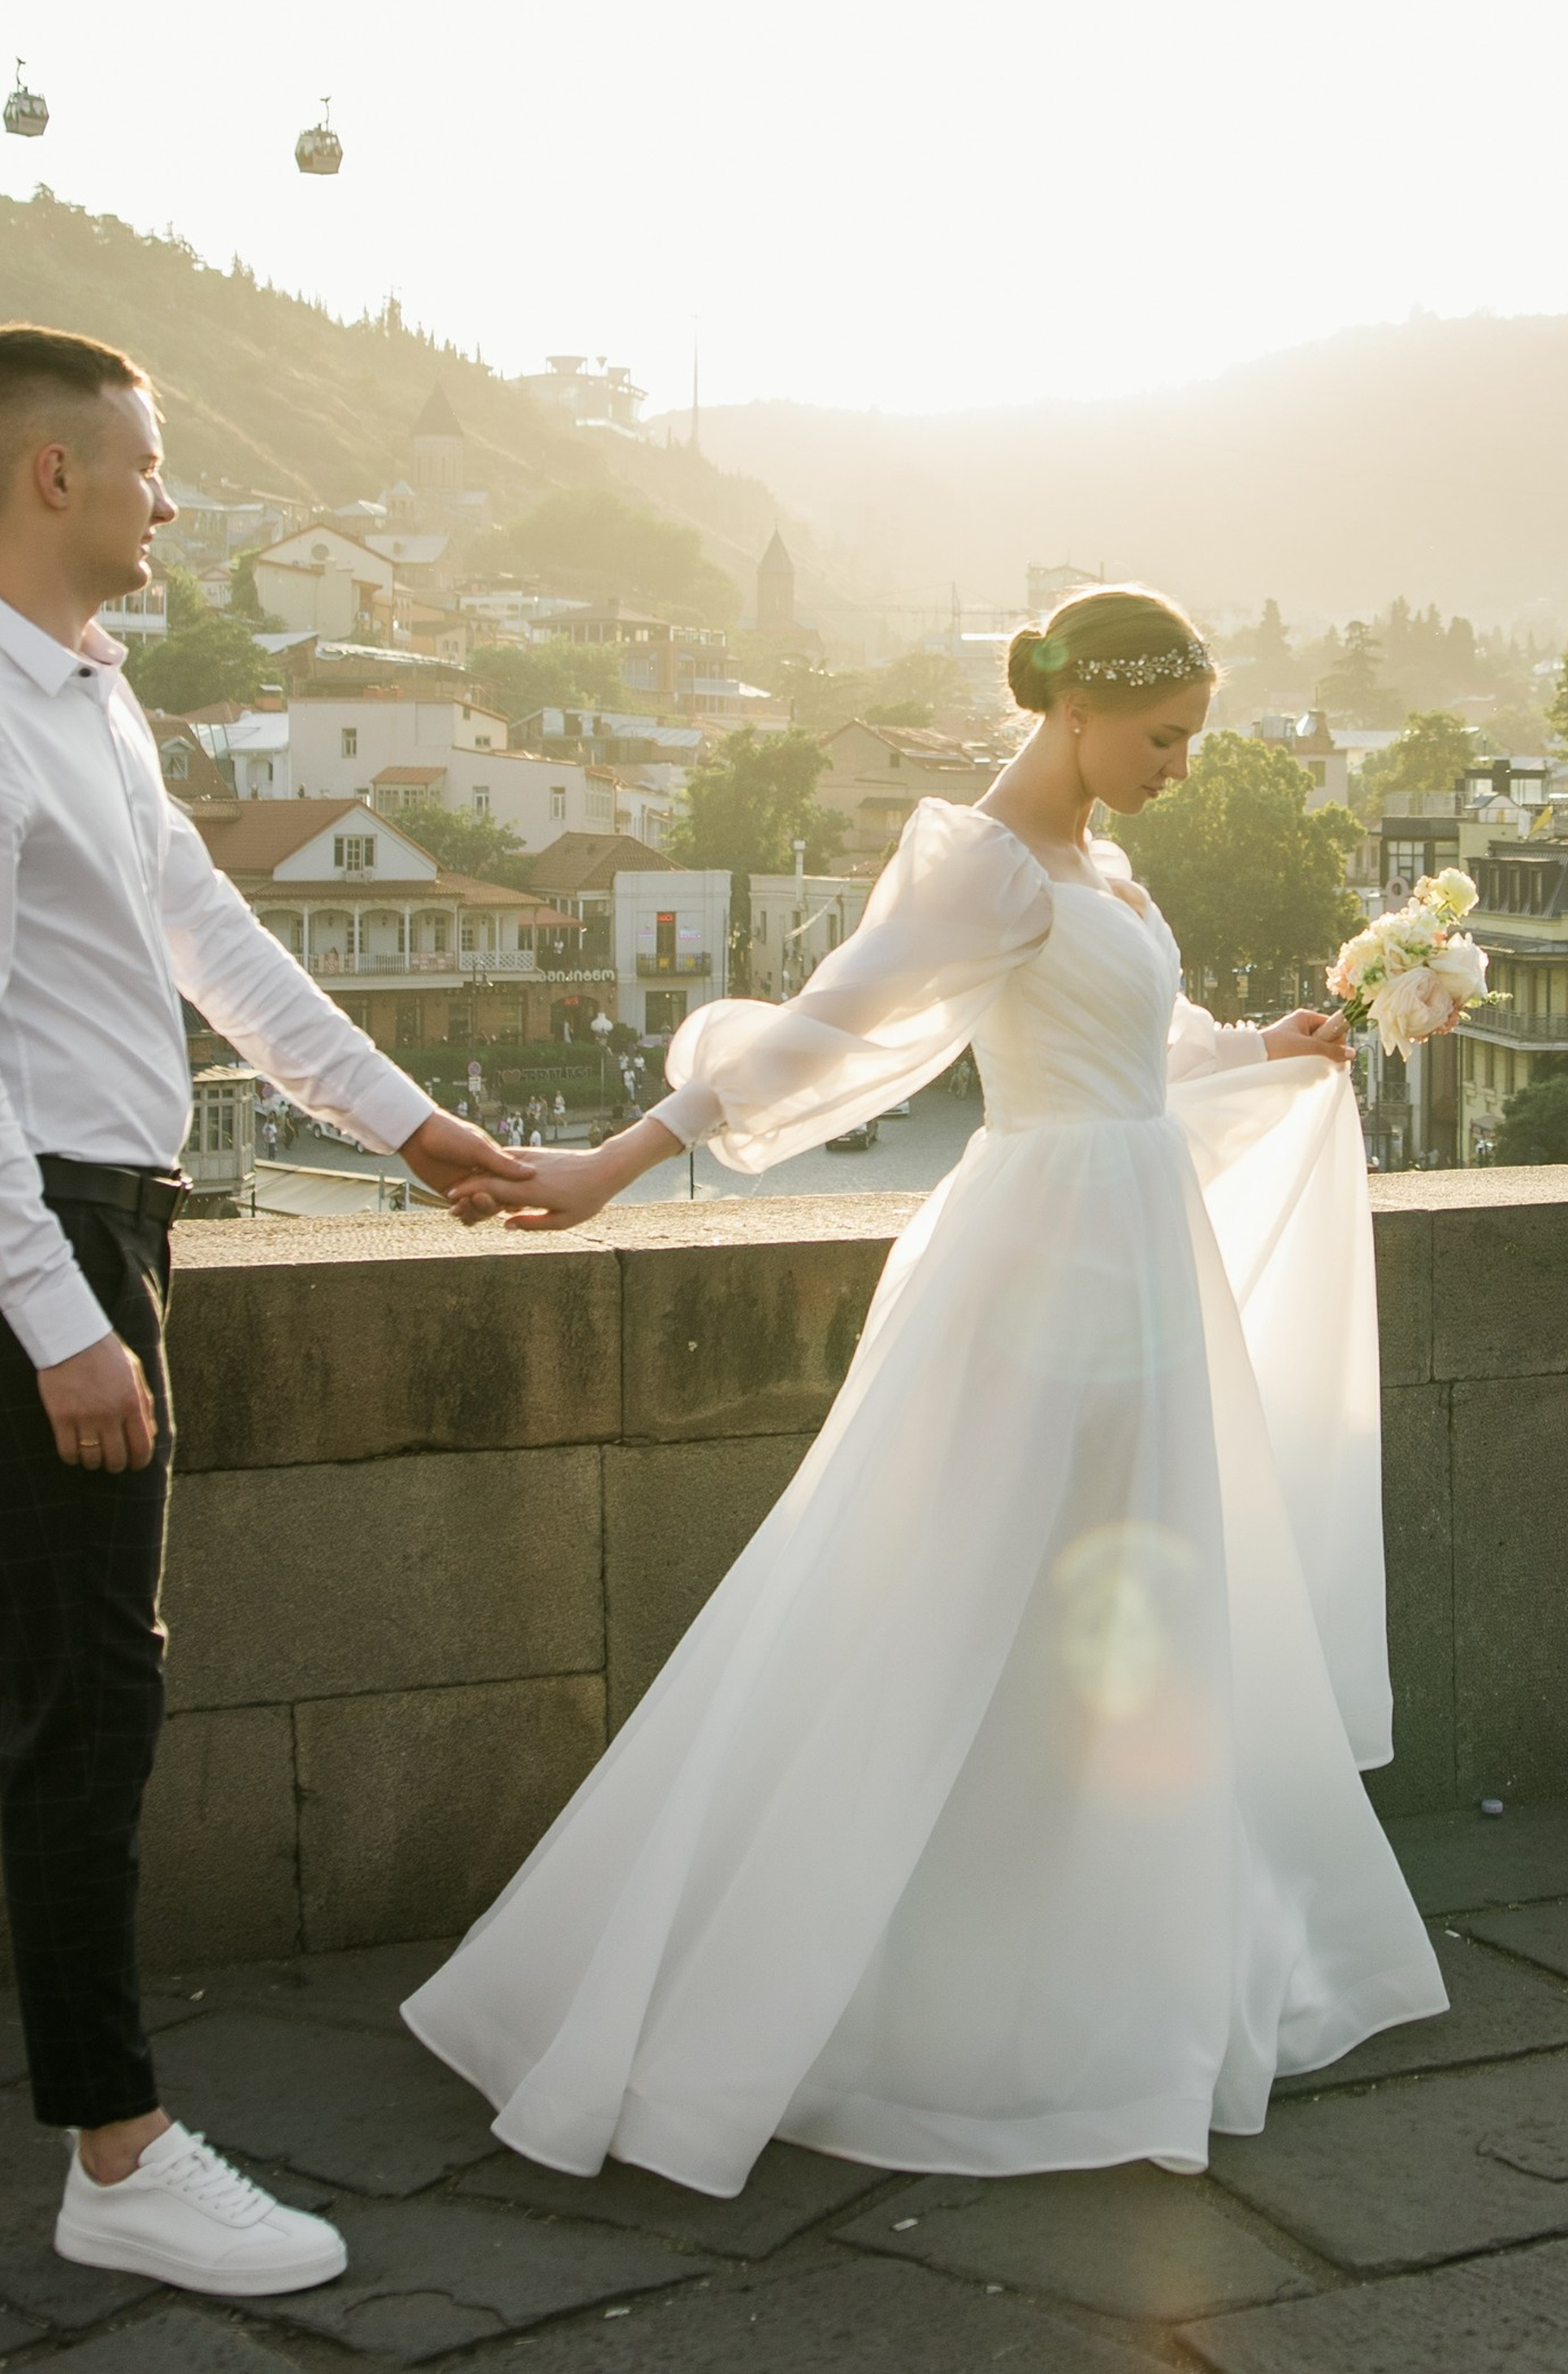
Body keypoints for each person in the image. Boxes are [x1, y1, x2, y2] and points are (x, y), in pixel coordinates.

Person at [409, 584, 1449, 2197]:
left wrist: (1262, 1046)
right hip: (1045, 1267)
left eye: (1190, 737)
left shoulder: (1095, 859)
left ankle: (1101, 1971)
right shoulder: (982, 862)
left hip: (1133, 1253)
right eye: (1163, 736)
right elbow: (834, 1031)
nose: (1181, 764)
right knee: (951, 1593)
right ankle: (885, 1990)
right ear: (1076, 713)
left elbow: (1129, 1050)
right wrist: (613, 1164)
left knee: (1117, 1619)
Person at [0, 329, 528, 2299]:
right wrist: (61, 1316)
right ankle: (118, 2155)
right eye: (145, 463)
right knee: (88, 1701)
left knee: (54, 1693)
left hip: (96, 1214)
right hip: (44, 1231)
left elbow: (214, 943)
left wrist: (414, 1127)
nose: (171, 496)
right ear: (50, 477)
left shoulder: (94, 700)